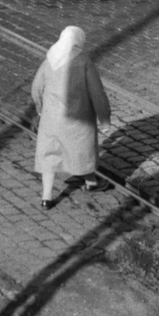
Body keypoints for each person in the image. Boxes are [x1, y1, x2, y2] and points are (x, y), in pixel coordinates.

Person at [32, 26, 110, 209]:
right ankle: (91, 182)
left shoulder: (50, 58)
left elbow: (36, 87)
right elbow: (97, 93)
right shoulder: (84, 61)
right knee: (81, 150)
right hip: (77, 119)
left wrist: (40, 108)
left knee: (49, 156)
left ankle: (46, 197)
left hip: (51, 120)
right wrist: (104, 118)